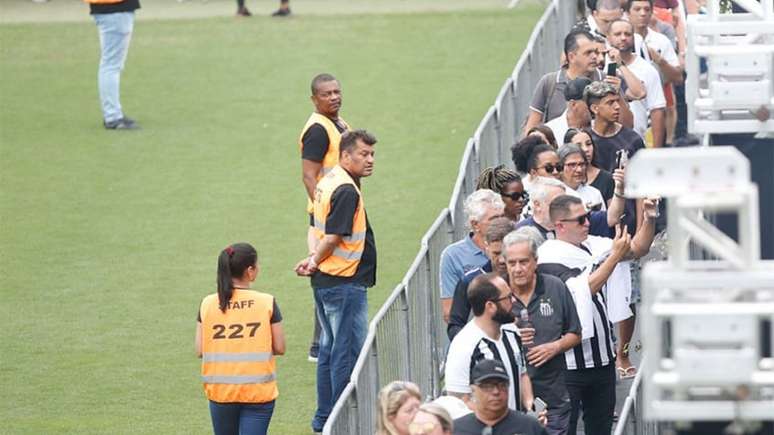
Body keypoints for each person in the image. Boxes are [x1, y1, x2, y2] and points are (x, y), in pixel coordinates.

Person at [537, 195, 658, 435]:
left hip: (602, 359)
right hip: (568, 365)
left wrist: (650, 217)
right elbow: (581, 291)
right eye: (581, 219)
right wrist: (614, 257)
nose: (588, 223)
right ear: (560, 225)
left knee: (601, 429)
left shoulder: (593, 245)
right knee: (565, 430)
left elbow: (637, 249)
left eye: (588, 217)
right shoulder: (548, 256)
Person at [294, 129, 378, 433]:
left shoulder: (328, 180)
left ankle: (324, 418)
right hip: (343, 283)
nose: (370, 160)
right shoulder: (345, 190)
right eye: (363, 154)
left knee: (329, 350)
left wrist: (312, 259)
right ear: (345, 155)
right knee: (347, 351)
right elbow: (332, 236)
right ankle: (344, 422)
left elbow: (314, 227)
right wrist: (314, 259)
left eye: (372, 155)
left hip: (327, 281)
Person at [196, 243, 285, 435]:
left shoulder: (208, 303)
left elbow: (200, 349)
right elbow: (279, 347)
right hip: (258, 392)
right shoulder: (266, 302)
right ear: (250, 271)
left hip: (221, 392)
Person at [503, 230, 582, 435]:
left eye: (523, 262)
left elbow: (575, 333)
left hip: (553, 397)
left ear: (535, 261)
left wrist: (554, 347)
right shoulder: (497, 294)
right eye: (512, 263)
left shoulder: (555, 287)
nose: (518, 269)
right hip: (509, 402)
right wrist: (511, 334)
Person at [299, 73, 351, 363]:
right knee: (326, 271)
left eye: (336, 91)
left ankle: (324, 341)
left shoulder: (338, 122)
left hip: (340, 209)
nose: (333, 97)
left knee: (335, 270)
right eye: (326, 94)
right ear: (314, 99)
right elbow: (309, 175)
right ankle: (319, 345)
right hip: (327, 214)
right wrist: (324, 209)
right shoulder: (318, 130)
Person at [445, 273, 534, 413]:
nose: (514, 301)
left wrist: (530, 408)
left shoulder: (512, 332)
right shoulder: (463, 345)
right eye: (508, 298)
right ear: (490, 306)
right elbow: (459, 400)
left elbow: (522, 374)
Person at [439, 190, 504, 323]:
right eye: (494, 220)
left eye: (502, 217)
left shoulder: (514, 246)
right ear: (475, 224)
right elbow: (449, 312)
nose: (500, 224)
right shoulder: (453, 255)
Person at [447, 217, 516, 340]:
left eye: (506, 254)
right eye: (496, 253)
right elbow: (455, 327)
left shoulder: (526, 278)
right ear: (486, 247)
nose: (501, 260)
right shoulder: (470, 281)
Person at [524, 29, 603, 131]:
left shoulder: (605, 80)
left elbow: (625, 124)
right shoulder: (549, 82)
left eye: (596, 52)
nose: (594, 57)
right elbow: (532, 125)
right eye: (588, 53)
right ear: (571, 57)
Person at [607, 19, 667, 147]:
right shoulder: (601, 64)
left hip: (636, 140)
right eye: (618, 34)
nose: (623, 38)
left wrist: (656, 152)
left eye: (627, 34)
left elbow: (657, 111)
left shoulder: (647, 70)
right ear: (608, 38)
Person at [452, 359, 548, 435]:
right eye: (488, 386)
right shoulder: (457, 430)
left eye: (502, 385)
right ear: (473, 390)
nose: (496, 391)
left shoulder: (529, 427)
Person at [89, 0, 140, 130]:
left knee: (111, 64)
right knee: (111, 65)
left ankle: (113, 115)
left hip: (110, 8)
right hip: (115, 7)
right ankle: (112, 117)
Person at [585, 81, 646, 172]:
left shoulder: (632, 140)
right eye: (610, 103)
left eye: (617, 101)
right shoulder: (585, 140)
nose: (617, 106)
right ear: (595, 108)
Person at [564, 128, 615, 205]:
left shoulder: (606, 179)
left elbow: (613, 214)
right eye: (578, 145)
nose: (585, 149)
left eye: (588, 144)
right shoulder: (561, 182)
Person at [545, 76, 593, 144]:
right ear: (573, 104)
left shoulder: (601, 127)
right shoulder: (551, 131)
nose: (594, 106)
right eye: (589, 102)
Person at [558, 144, 606, 212]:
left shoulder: (594, 193)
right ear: (560, 167)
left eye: (582, 164)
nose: (579, 170)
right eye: (572, 165)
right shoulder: (555, 195)